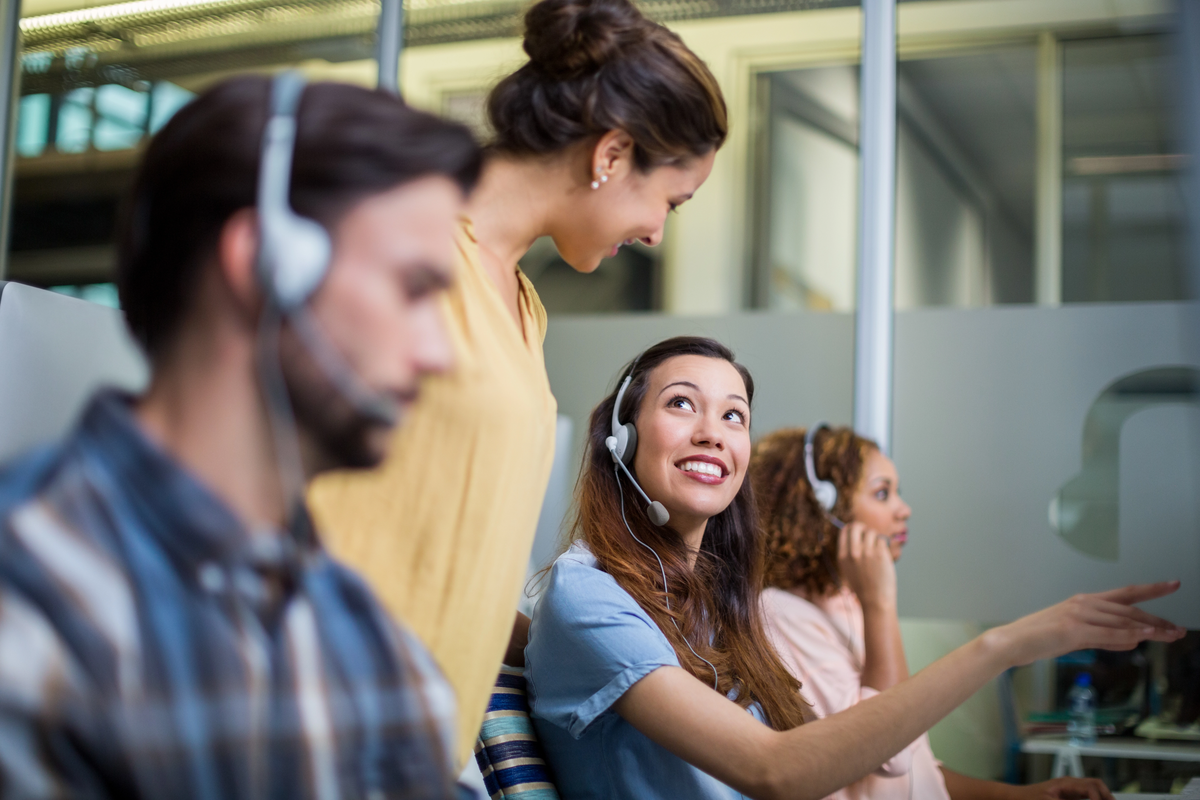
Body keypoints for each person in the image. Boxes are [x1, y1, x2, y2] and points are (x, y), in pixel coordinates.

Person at [0, 75, 482, 798]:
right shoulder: (34, 607)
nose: (440, 353)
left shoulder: (364, 632)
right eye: (413, 289)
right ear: (266, 264)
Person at [307, 0, 728, 761]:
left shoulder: (523, 305)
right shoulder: (407, 246)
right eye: (669, 200)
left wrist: (570, 646)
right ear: (611, 154)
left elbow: (447, 541)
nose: (657, 232)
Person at [523, 336, 1184, 800]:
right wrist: (1005, 646)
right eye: (681, 404)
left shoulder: (710, 606)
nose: (713, 433)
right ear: (620, 438)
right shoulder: (590, 593)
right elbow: (777, 773)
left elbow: (853, 757)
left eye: (733, 416)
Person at [751, 425, 1114, 800]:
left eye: (897, 493)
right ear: (821, 510)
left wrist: (1022, 795)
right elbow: (890, 754)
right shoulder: (782, 614)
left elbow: (915, 768)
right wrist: (881, 604)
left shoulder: (850, 606)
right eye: (882, 493)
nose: (903, 510)